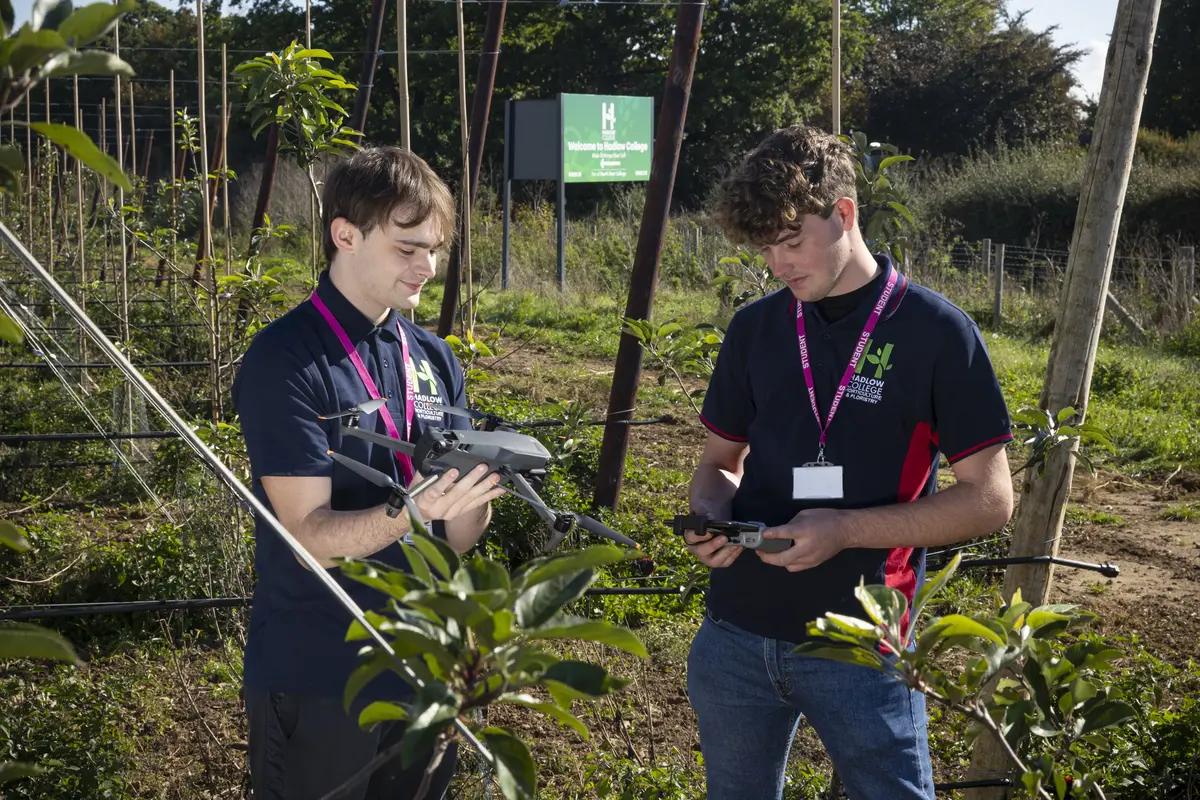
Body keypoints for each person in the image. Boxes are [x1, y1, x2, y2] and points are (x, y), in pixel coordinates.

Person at [683, 125, 1015, 799]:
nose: (778, 263)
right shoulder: (755, 329)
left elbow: (990, 500)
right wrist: (711, 513)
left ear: (844, 214)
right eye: (765, 247)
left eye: (791, 240)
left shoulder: (938, 334)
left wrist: (844, 530)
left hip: (862, 644)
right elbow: (719, 462)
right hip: (735, 635)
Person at [232, 146, 506, 800]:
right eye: (408, 248)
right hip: (321, 673)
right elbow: (307, 540)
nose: (429, 268)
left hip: (422, 667)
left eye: (435, 249)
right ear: (345, 234)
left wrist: (474, 493)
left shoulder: (433, 358)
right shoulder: (287, 361)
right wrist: (414, 507)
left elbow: (456, 540)